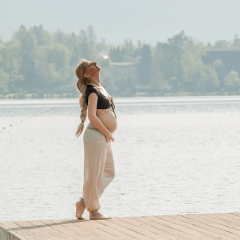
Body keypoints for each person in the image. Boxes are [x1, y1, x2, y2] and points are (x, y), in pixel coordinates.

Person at [75, 59, 118, 220]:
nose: (94, 62)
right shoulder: (92, 91)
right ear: (87, 74)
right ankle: (93, 211)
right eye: (90, 64)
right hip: (97, 136)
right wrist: (107, 133)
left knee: (108, 172)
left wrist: (107, 133)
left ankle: (84, 202)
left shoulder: (100, 87)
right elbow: (92, 116)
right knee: (94, 174)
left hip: (102, 136)